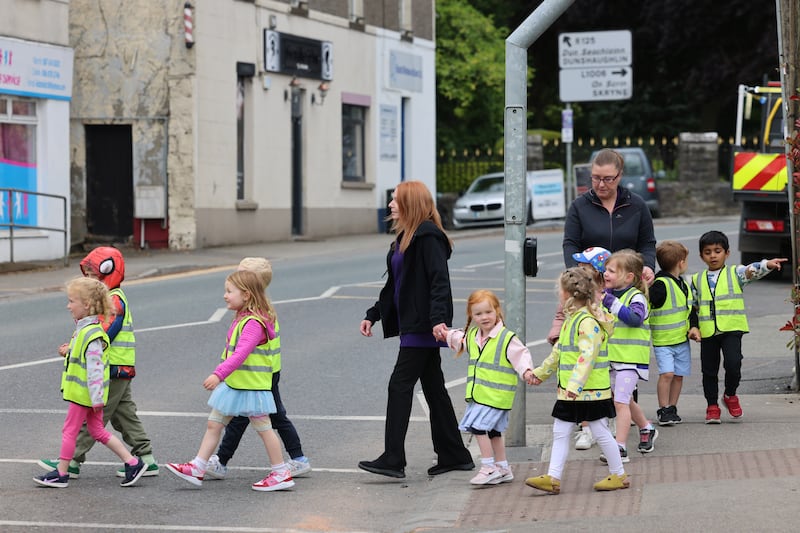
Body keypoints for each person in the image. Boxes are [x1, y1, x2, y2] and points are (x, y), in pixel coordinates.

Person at [358, 180, 474, 479]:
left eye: (396, 200)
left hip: (423, 325)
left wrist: (438, 320)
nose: (391, 204)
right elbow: (394, 284)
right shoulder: (404, 237)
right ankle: (455, 454)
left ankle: (393, 458)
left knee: (399, 386)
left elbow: (439, 281)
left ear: (410, 203)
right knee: (434, 390)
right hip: (414, 324)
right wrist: (374, 313)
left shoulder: (427, 237)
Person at [166, 270, 295, 491]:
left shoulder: (253, 323)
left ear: (246, 295)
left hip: (251, 387)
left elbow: (240, 354)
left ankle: (281, 472)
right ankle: (197, 467)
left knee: (264, 429)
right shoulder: (243, 317)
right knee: (214, 423)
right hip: (236, 385)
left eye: (229, 291)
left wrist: (218, 374)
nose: (225, 295)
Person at [37, 247, 158, 480]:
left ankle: (71, 461)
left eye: (93, 276)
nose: (90, 280)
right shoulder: (111, 298)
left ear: (108, 272)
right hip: (120, 365)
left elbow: (103, 334)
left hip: (111, 366)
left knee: (93, 416)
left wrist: (74, 349)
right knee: (124, 415)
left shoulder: (114, 300)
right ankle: (146, 459)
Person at [205, 257, 311, 480]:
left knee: (272, 416)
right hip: (254, 373)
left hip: (262, 375)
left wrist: (221, 372)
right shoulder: (254, 310)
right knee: (245, 417)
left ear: (250, 288)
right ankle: (222, 461)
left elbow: (244, 351)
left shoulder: (259, 316)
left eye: (242, 274)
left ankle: (298, 459)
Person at [526, 267, 628, 493]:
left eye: (559, 291)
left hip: (588, 390)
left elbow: (587, 356)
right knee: (561, 432)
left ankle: (619, 475)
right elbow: (559, 352)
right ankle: (553, 477)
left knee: (600, 432)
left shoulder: (585, 322)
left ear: (569, 295)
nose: (558, 296)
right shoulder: (572, 320)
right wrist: (540, 373)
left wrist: (574, 385)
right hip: (574, 390)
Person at [690, 230, 787, 423]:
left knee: (733, 365)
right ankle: (712, 406)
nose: (713, 255)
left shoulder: (736, 273)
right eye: (707, 252)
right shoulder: (696, 279)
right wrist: (694, 327)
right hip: (708, 332)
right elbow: (693, 306)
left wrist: (767, 264)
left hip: (732, 329)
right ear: (701, 256)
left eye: (717, 251)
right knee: (709, 371)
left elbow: (752, 270)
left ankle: (730, 394)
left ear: (727, 253)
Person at [442, 290, 535, 486]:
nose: (484, 317)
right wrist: (446, 335)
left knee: (477, 427)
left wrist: (527, 372)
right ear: (471, 316)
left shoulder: (505, 337)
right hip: (483, 396)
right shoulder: (474, 335)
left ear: (497, 311)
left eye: (488, 312)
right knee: (492, 431)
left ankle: (488, 467)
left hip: (496, 397)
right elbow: (460, 339)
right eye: (478, 314)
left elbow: (521, 354)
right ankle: (503, 467)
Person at [546, 246, 611, 451]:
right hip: (573, 365)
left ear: (597, 271)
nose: (580, 267)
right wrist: (556, 335)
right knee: (564, 427)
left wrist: (574, 385)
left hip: (599, 362)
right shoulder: (571, 301)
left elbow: (590, 351)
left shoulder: (602, 299)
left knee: (609, 405)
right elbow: (560, 317)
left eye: (585, 264)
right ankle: (585, 432)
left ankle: (617, 466)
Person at [562, 148, 657, 285]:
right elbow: (570, 244)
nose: (601, 184)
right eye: (595, 178)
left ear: (619, 176)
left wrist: (648, 266)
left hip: (628, 285)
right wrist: (575, 273)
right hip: (591, 285)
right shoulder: (579, 206)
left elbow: (647, 243)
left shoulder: (637, 205)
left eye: (608, 179)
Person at [600, 249, 658, 462]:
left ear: (629, 277)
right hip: (613, 359)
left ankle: (619, 448)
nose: (606, 274)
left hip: (631, 360)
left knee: (620, 402)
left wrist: (610, 303)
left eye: (612, 271)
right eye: (606, 270)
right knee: (622, 400)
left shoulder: (637, 297)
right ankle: (646, 427)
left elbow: (635, 319)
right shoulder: (608, 296)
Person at [650, 241, 701, 425]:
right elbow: (650, 301)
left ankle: (672, 407)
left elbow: (690, 310)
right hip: (663, 341)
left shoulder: (683, 284)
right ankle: (663, 409)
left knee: (678, 375)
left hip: (681, 340)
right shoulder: (659, 284)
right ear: (681, 262)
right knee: (667, 374)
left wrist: (694, 327)